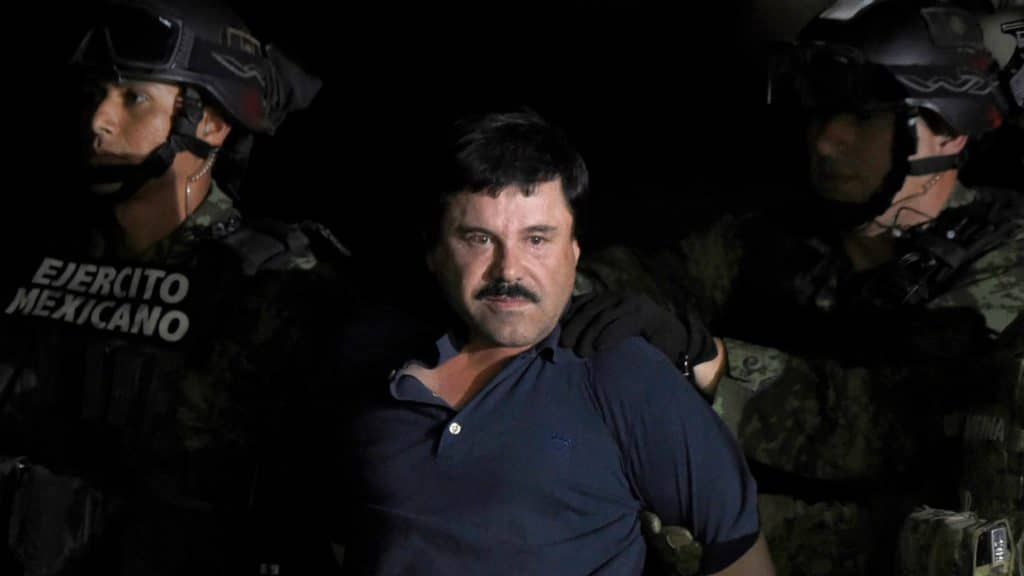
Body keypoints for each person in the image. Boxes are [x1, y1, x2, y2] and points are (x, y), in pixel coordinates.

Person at [580, 1, 1022, 573]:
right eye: (819, 113)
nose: (826, 141)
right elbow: (653, 277)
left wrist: (711, 363)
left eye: (863, 116)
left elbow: (891, 428)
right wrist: (549, 288)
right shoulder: (781, 236)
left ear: (950, 131)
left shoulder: (1005, 261)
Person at [337, 110, 772, 575]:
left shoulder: (622, 376)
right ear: (436, 251)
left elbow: (741, 559)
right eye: (480, 238)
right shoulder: (368, 370)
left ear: (574, 249)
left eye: (537, 239)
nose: (509, 270)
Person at [0, 1, 338, 574]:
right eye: (98, 95)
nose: (99, 120)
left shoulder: (275, 284)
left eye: (134, 99)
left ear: (212, 124)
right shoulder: (39, 254)